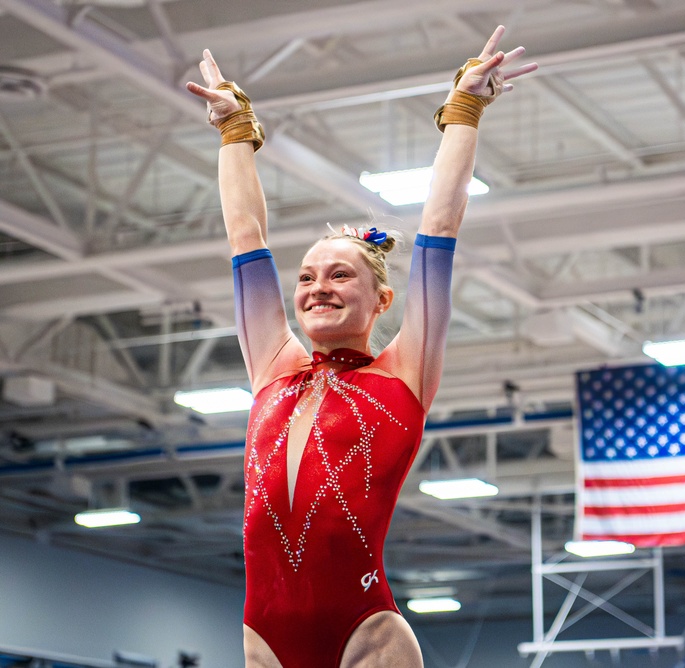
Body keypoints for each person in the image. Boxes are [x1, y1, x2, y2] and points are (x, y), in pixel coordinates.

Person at [186, 26, 536, 668]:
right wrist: (235, 132)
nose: (318, 287)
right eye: (308, 276)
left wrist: (464, 110)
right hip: (263, 637)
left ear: (380, 302)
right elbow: (245, 234)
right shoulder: (272, 366)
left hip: (365, 633)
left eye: (340, 274)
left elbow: (439, 226)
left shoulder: (403, 373)